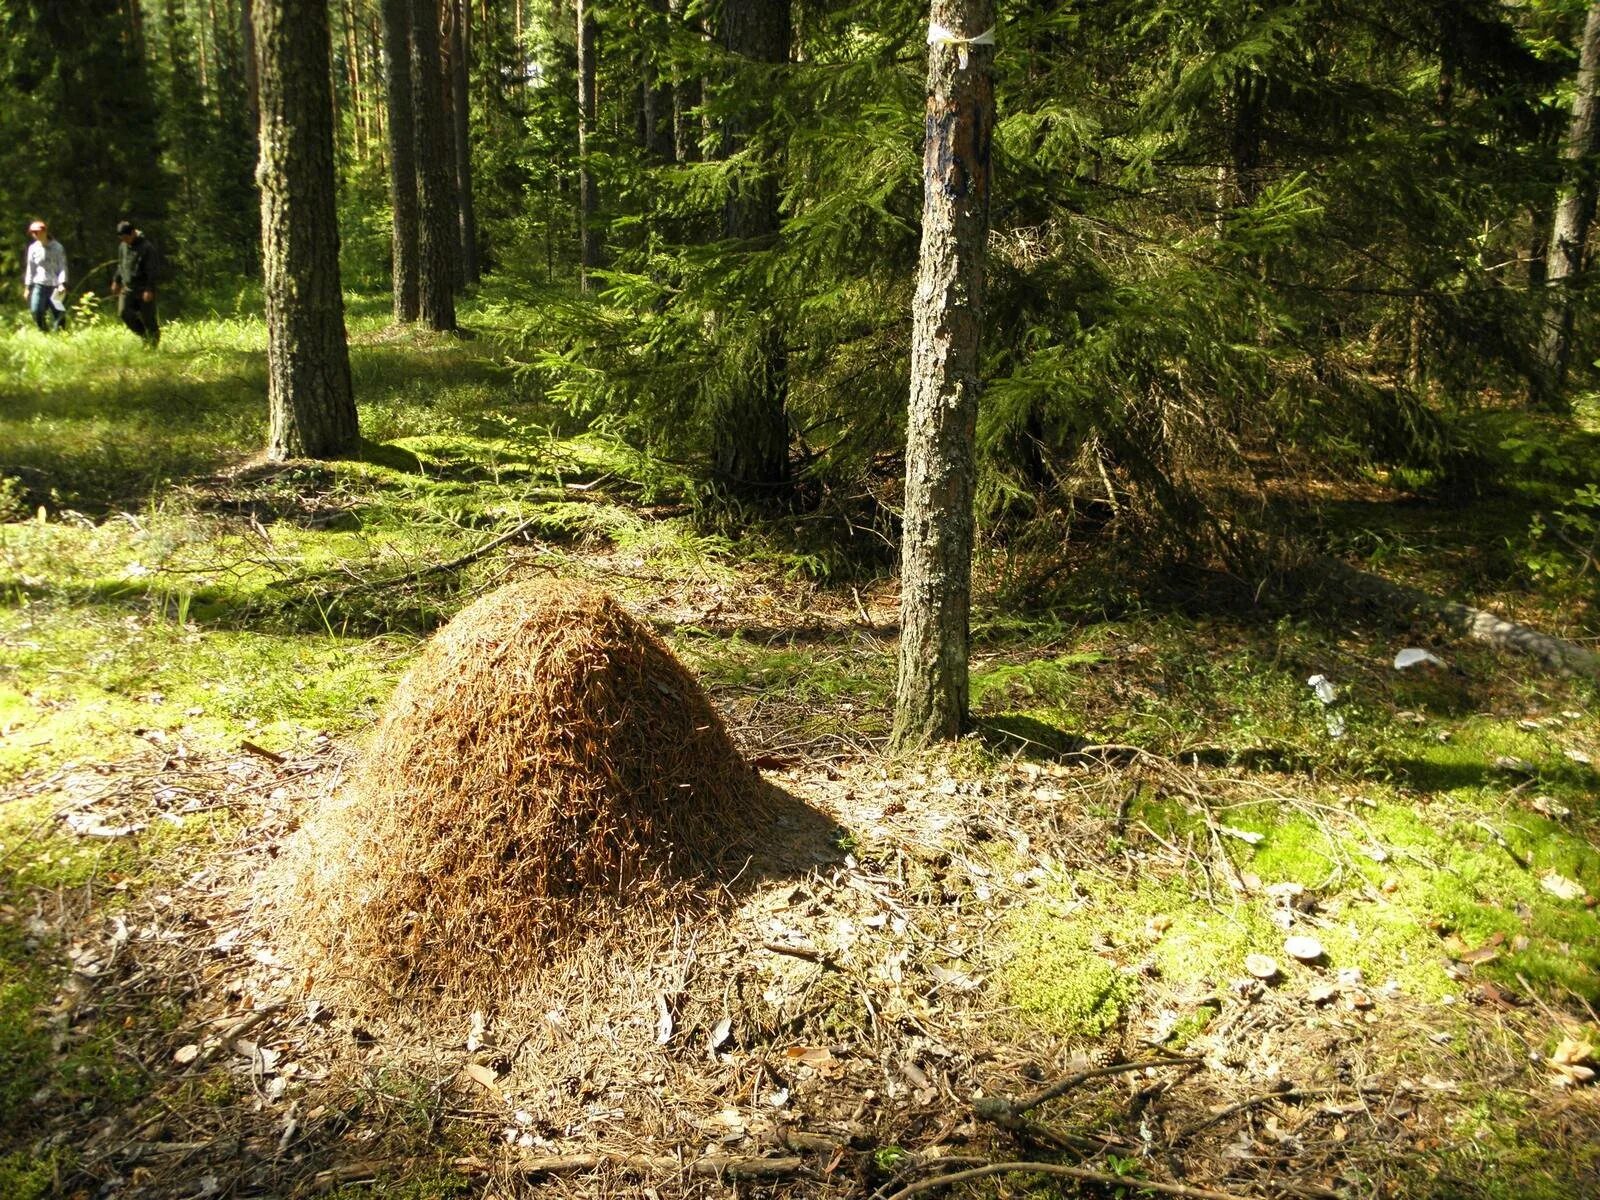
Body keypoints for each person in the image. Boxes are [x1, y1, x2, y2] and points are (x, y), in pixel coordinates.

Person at [111, 219, 160, 347]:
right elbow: (121, 264)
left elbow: (152, 270)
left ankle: (153, 344)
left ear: (133, 233)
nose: (124, 240)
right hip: (128, 288)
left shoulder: (147, 248)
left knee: (149, 319)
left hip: (144, 288)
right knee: (124, 312)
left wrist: (149, 289)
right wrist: (116, 281)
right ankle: (144, 335)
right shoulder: (122, 246)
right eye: (121, 238)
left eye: (126, 237)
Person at [22, 219, 68, 332]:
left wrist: (62, 283)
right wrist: (28, 287)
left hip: (55, 286)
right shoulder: (33, 248)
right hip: (39, 284)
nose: (34, 235)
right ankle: (44, 331)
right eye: (32, 232)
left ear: (44, 231)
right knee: (36, 310)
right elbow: (30, 268)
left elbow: (63, 266)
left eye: (36, 232)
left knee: (58, 312)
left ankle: (60, 334)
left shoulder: (58, 247)